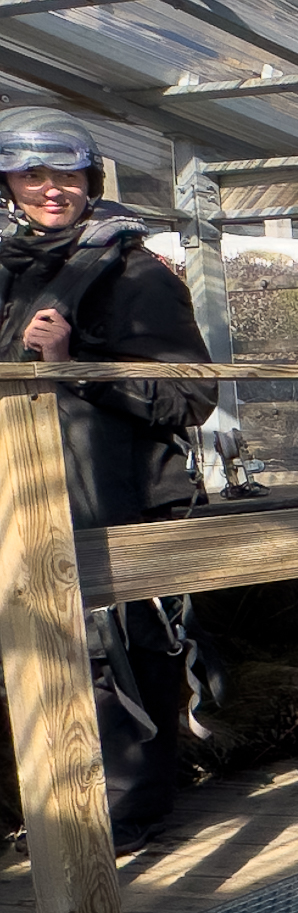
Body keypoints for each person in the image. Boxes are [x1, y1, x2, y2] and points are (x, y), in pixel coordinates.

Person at [0, 107, 216, 853]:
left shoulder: (134, 273)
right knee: (36, 652)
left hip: (122, 499)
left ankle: (130, 808)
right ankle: (61, 805)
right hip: (24, 497)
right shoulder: (11, 270)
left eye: (66, 174)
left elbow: (191, 395)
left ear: (92, 180)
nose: (50, 189)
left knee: (117, 652)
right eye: (32, 175)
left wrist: (77, 370)